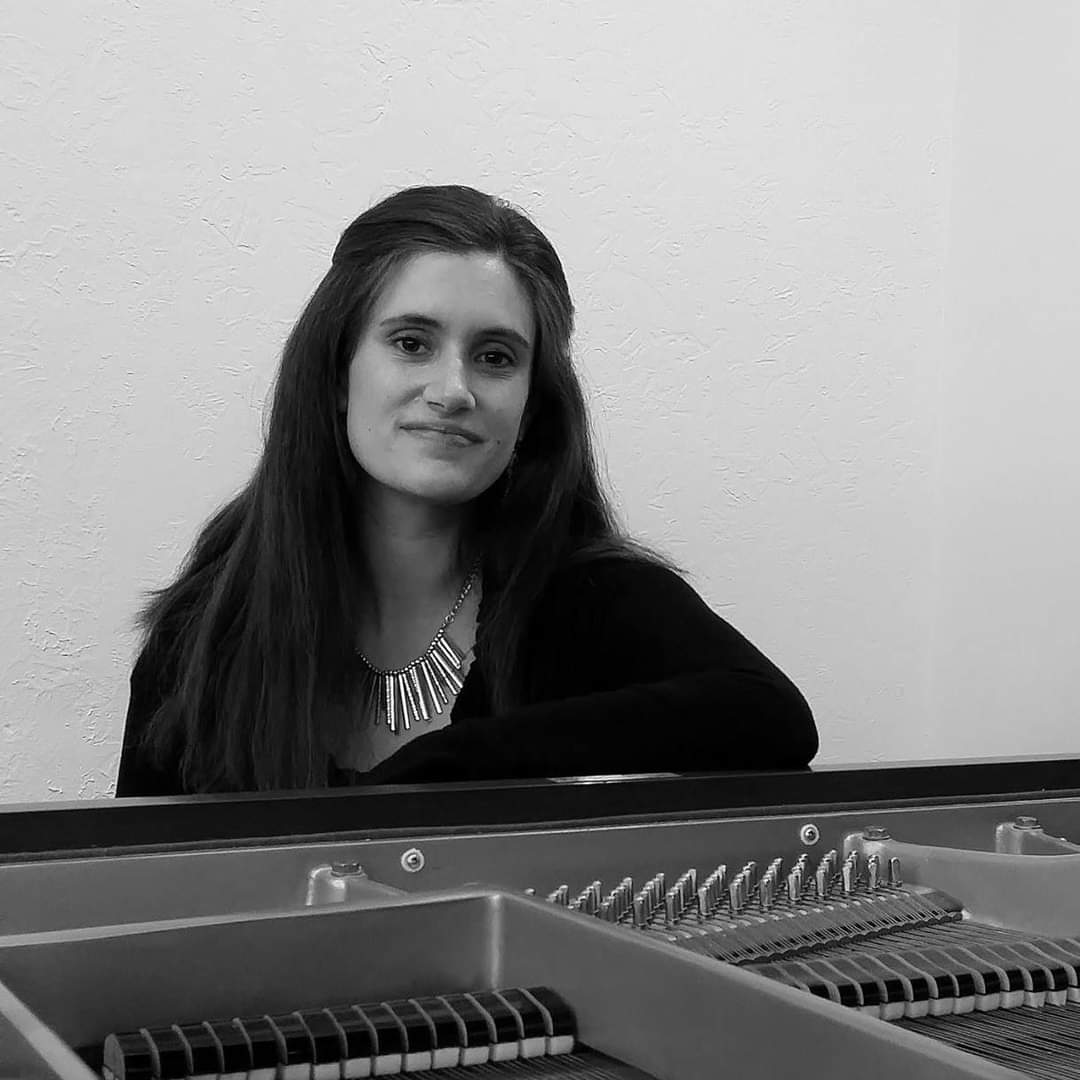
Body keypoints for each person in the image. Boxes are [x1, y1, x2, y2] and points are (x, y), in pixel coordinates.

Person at [116, 184, 817, 796]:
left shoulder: (592, 599)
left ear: (532, 404)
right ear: (335, 373)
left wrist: (452, 763)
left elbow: (772, 716)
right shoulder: (208, 629)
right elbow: (138, 904)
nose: (453, 391)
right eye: (411, 343)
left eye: (494, 357)